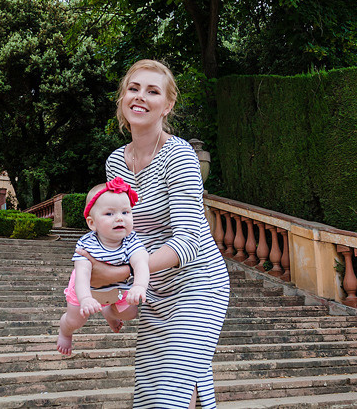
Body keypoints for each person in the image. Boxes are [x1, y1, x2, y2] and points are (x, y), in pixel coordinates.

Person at [83, 59, 230, 409]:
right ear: (122, 98)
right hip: (152, 290)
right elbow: (120, 235)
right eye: (133, 89)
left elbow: (189, 240)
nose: (140, 97)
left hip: (198, 285)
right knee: (155, 391)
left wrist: (124, 274)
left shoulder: (179, 155)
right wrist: (109, 294)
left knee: (169, 391)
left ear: (168, 105)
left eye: (153, 91)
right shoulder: (115, 162)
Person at [57, 178, 151, 355]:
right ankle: (65, 331)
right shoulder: (87, 245)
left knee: (130, 312)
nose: (119, 218)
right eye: (109, 214)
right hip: (86, 287)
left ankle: (110, 311)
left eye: (125, 212)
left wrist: (139, 285)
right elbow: (82, 274)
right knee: (76, 320)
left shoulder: (131, 241)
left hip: (118, 286)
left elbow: (141, 262)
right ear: (92, 223)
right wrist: (85, 298)